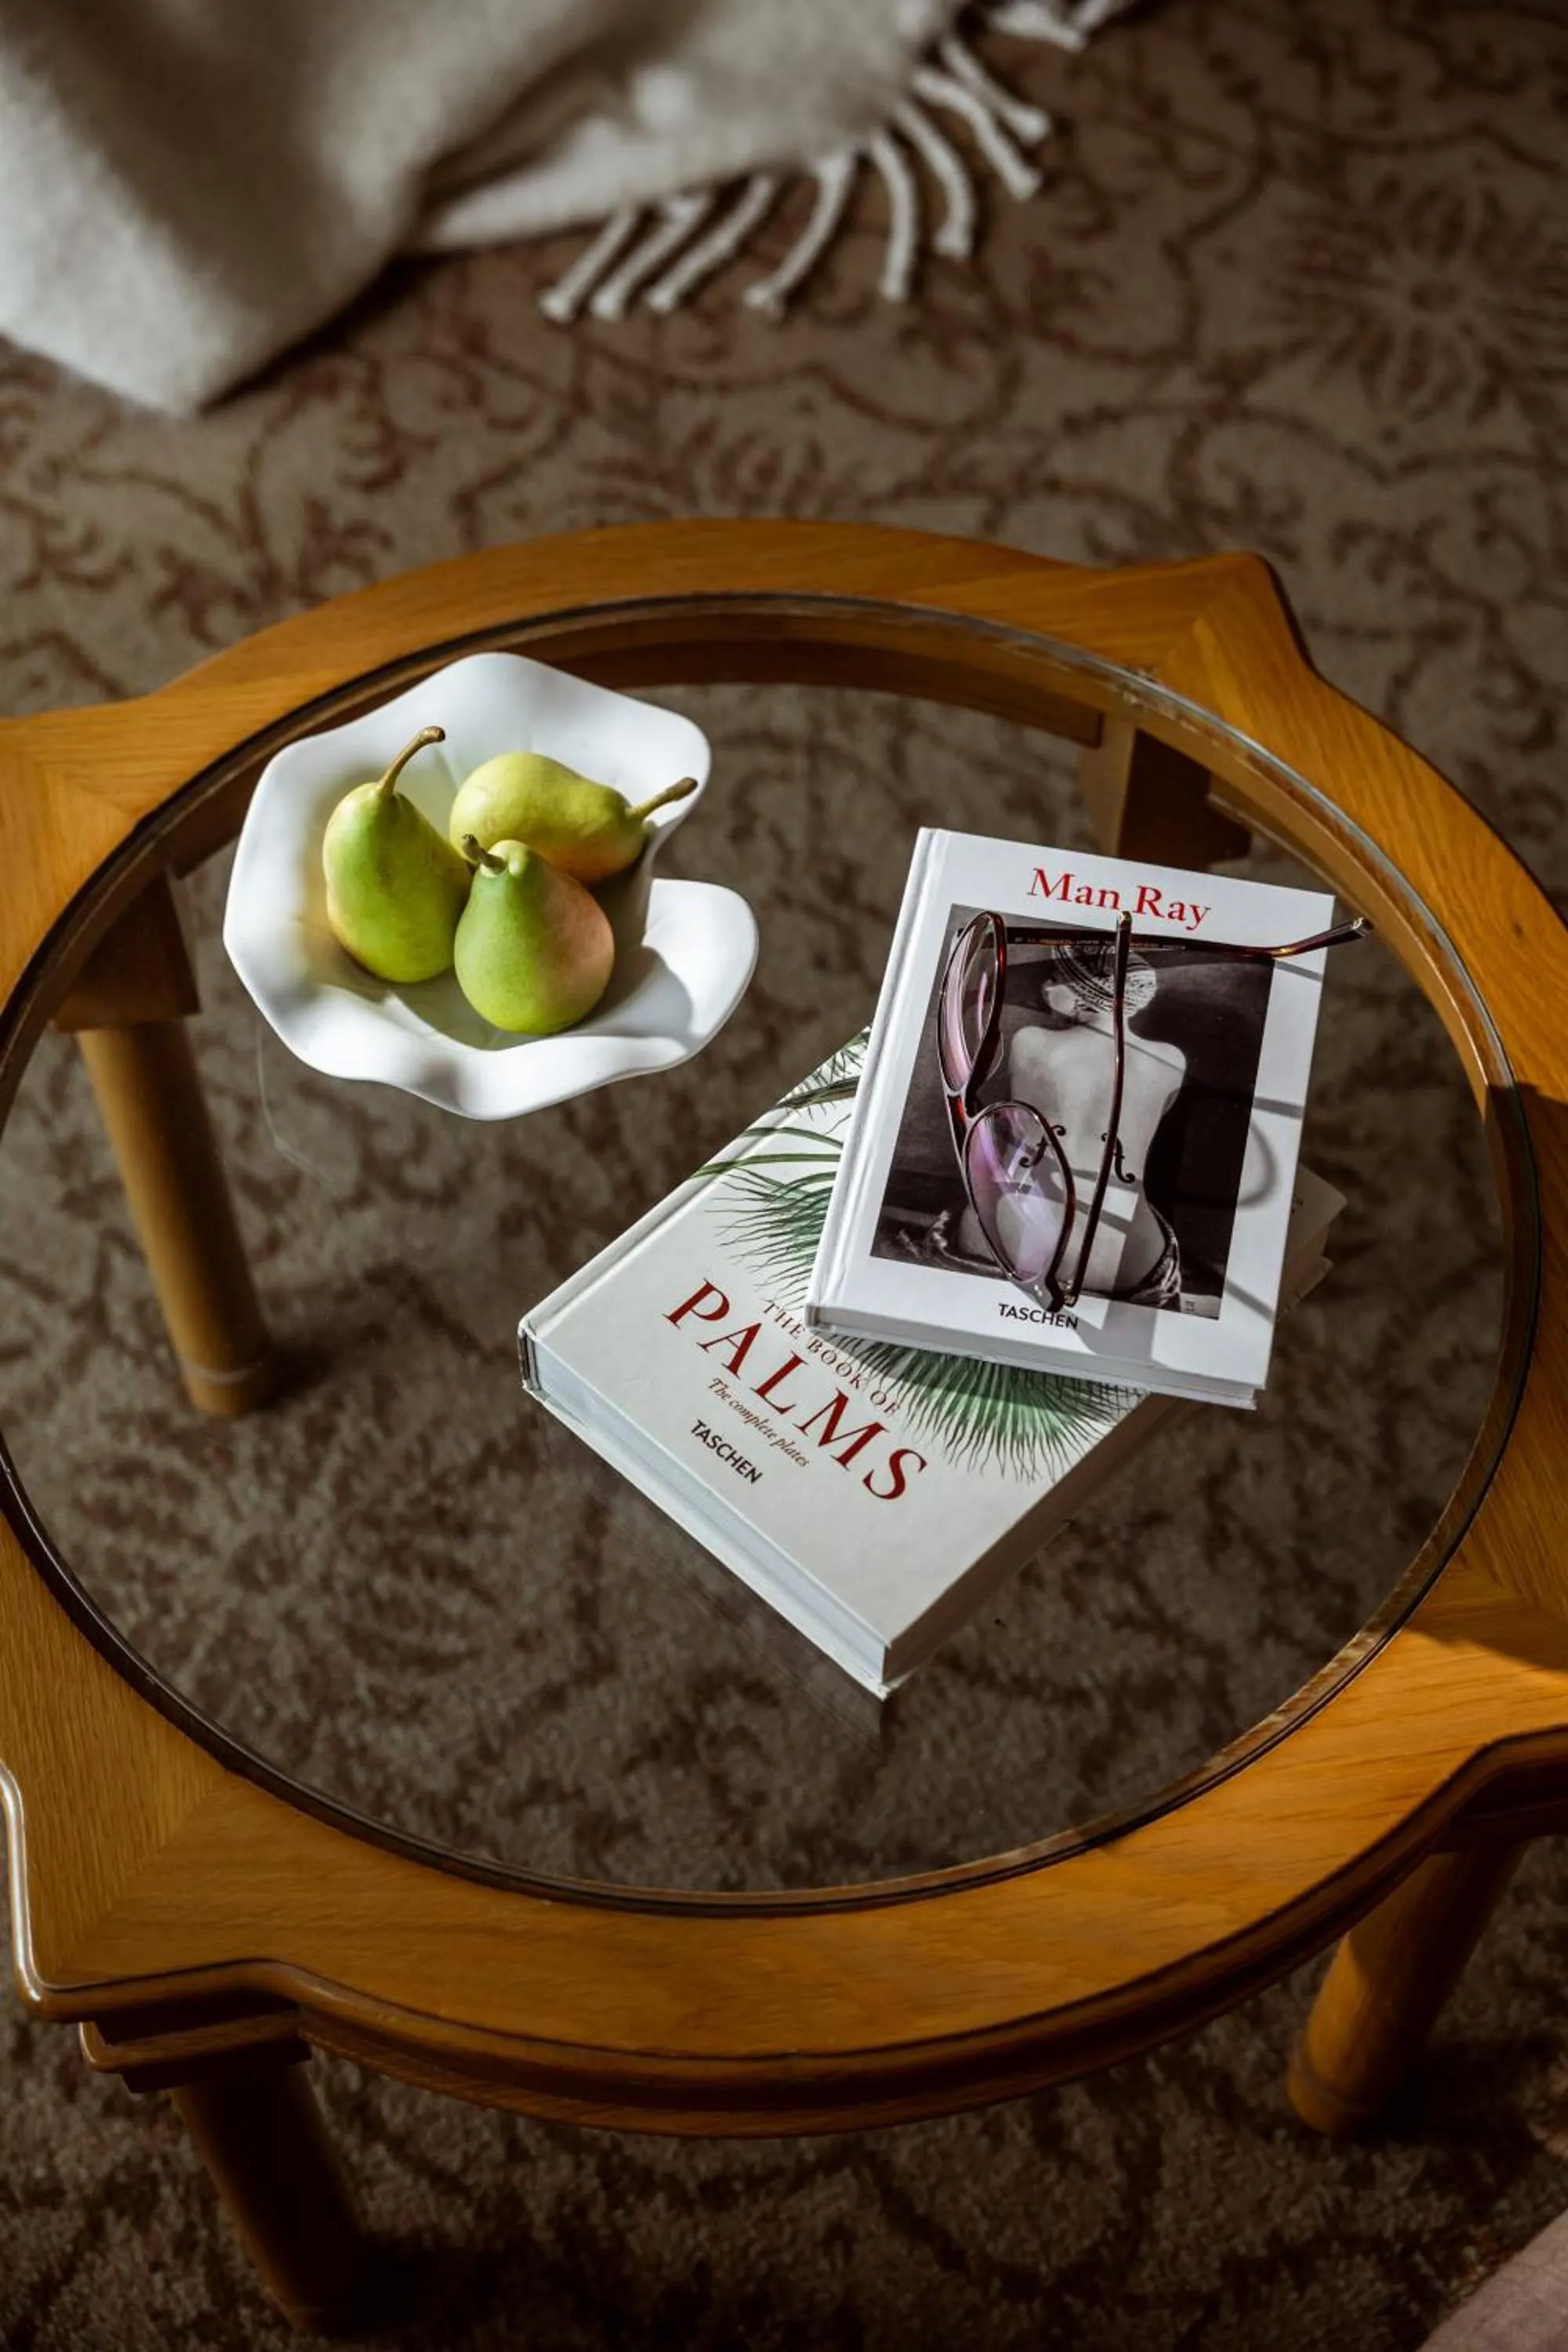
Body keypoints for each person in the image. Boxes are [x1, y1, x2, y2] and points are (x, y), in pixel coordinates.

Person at [935, 934, 1189, 1307]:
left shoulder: (1029, 1042)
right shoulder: (1171, 1061)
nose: (1045, 987)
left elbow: (1017, 1131)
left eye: (1055, 978)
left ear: (1078, 992)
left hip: (1012, 1239)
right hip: (1127, 1260)